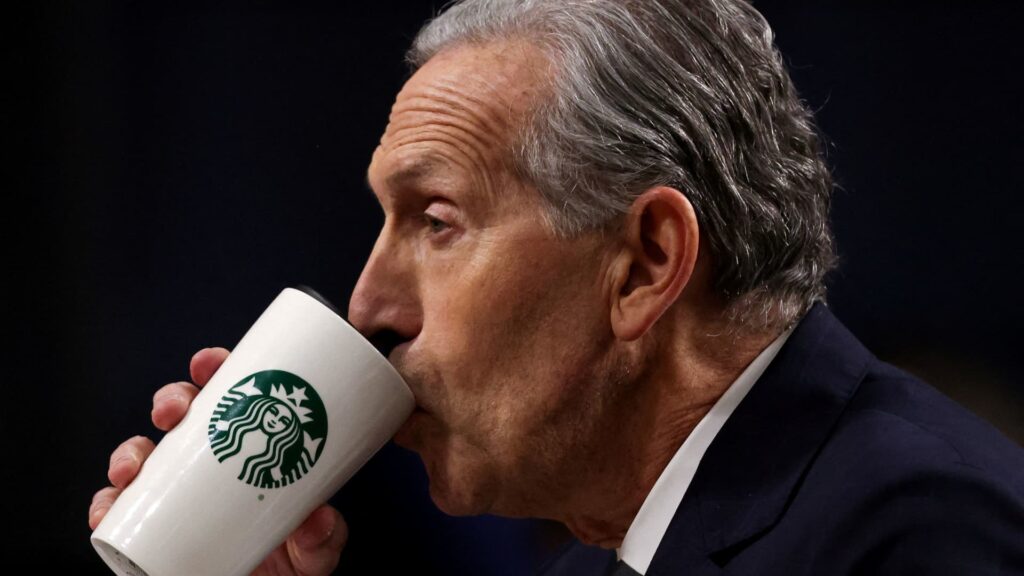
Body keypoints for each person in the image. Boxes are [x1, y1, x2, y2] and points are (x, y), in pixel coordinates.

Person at [88, 0, 1024, 574]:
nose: (369, 307)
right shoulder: (604, 555)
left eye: (436, 221)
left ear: (646, 264)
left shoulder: (915, 531)